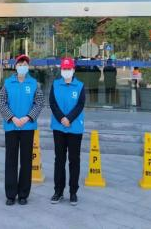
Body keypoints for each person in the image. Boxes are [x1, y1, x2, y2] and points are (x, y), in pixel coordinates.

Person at [0, 54, 44, 206]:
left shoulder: (34, 83)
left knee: (26, 161)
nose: (22, 67)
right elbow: (1, 102)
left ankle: (23, 194)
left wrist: (27, 118)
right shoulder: (8, 83)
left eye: (25, 64)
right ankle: (10, 194)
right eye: (20, 64)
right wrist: (12, 118)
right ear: (15, 66)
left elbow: (39, 102)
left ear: (28, 67)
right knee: (11, 160)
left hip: (27, 127)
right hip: (11, 126)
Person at [49, 57, 85, 206]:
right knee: (59, 160)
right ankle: (58, 191)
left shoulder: (80, 86)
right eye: (64, 68)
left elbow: (80, 105)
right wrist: (61, 118)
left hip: (74, 128)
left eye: (69, 68)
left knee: (74, 160)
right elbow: (52, 103)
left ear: (73, 70)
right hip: (58, 127)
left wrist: (69, 118)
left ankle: (73, 192)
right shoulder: (55, 84)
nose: (66, 71)